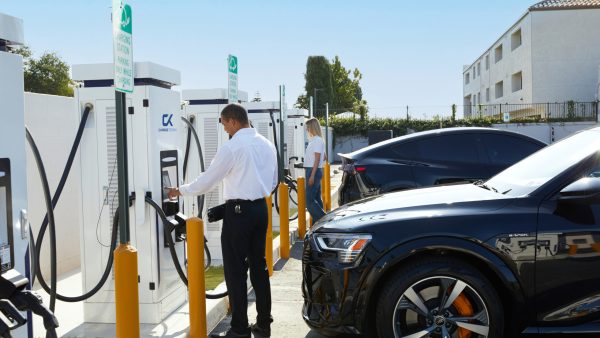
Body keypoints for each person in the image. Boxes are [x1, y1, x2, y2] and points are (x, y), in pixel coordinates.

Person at [168, 104, 277, 338]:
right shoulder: (267, 145)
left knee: (235, 271)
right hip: (260, 209)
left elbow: (208, 180)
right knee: (259, 266)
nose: (225, 128)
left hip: (238, 214)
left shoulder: (232, 147)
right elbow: (274, 180)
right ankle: (264, 323)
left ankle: (239, 328)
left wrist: (180, 190)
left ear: (234, 121)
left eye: (224, 123)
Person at [304, 117, 326, 222]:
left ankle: (325, 221)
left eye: (308, 127)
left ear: (312, 127)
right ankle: (317, 226)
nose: (307, 130)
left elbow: (317, 159)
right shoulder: (317, 140)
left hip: (313, 171)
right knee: (316, 199)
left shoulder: (317, 140)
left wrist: (312, 175)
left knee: (309, 201)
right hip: (314, 170)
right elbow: (323, 157)